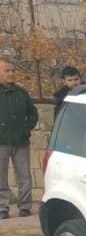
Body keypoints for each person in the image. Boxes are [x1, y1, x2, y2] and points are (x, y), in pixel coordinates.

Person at [0, 55, 39, 219]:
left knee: (24, 176)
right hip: (1, 142)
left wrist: (26, 129)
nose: (11, 73)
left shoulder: (21, 92)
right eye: (7, 71)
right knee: (0, 178)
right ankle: (2, 208)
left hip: (21, 142)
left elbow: (33, 114)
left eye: (13, 70)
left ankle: (25, 207)